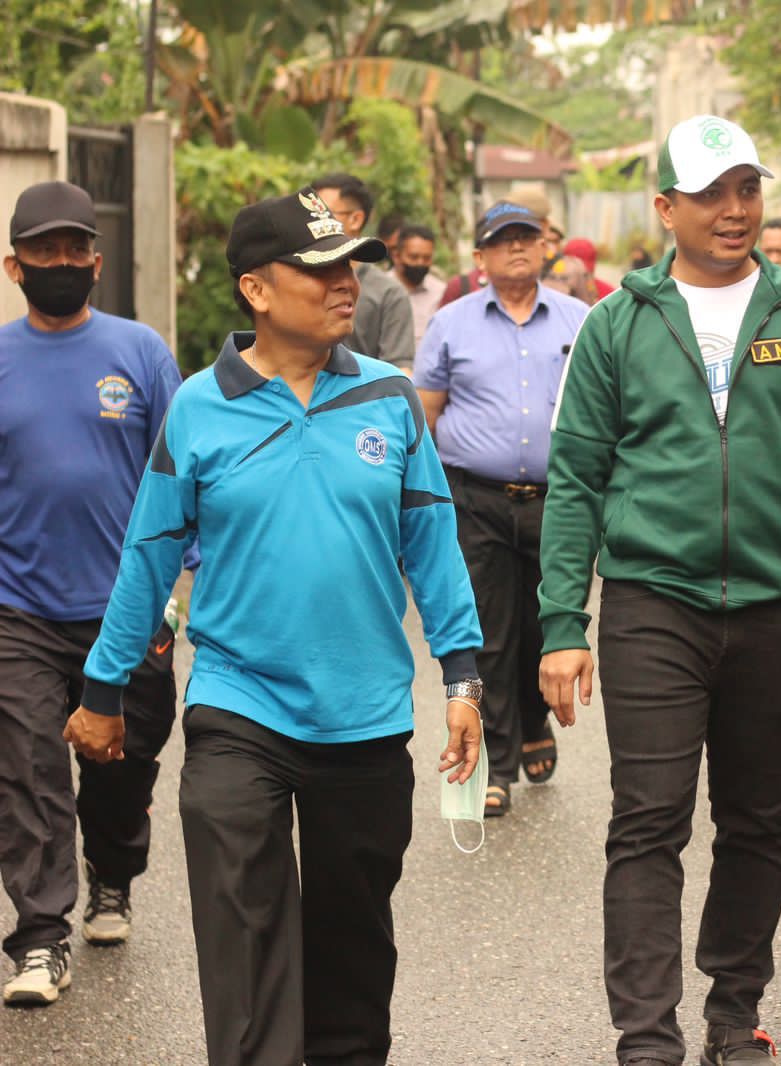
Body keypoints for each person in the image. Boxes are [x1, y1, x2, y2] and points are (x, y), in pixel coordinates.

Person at [68, 186, 484, 1065]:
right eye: (323, 268)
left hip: (366, 715)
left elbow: (435, 546)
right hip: (237, 707)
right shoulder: (197, 408)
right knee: (245, 943)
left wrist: (462, 678)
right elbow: (148, 554)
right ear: (257, 289)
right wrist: (104, 690)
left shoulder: (388, 399)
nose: (348, 284)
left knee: (351, 961)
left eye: (352, 267)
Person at [537, 115, 781, 1066]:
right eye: (711, 193)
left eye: (747, 190)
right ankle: (646, 1036)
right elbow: (576, 477)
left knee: (756, 819)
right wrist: (562, 622)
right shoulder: (618, 322)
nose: (734, 211)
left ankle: (734, 1014)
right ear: (666, 208)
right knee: (647, 819)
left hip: (777, 604)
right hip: (655, 600)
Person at [0, 181, 183, 1006]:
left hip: (128, 606)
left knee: (125, 755)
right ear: (15, 266)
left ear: (98, 262)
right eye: (46, 251)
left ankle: (113, 872)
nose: (64, 263)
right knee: (26, 769)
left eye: (77, 250)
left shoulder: (141, 352)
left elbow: (184, 477)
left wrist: (178, 596)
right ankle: (40, 938)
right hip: (18, 611)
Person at [416, 201, 589, 815]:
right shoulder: (451, 323)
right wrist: (426, 500)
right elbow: (427, 411)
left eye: (528, 238)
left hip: (559, 501)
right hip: (477, 500)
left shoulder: (581, 318)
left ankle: (535, 717)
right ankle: (499, 758)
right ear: (480, 256)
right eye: (503, 240)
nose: (517, 248)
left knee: (544, 625)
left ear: (545, 248)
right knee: (489, 628)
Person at [310, 173, 415, 371]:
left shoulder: (388, 293)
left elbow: (400, 371)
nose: (314, 225)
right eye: (310, 217)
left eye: (323, 216)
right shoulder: (297, 282)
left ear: (356, 219)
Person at [392, 223, 446, 345]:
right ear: (397, 256)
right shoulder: (380, 290)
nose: (420, 263)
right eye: (413, 257)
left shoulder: (441, 292)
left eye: (426, 258)